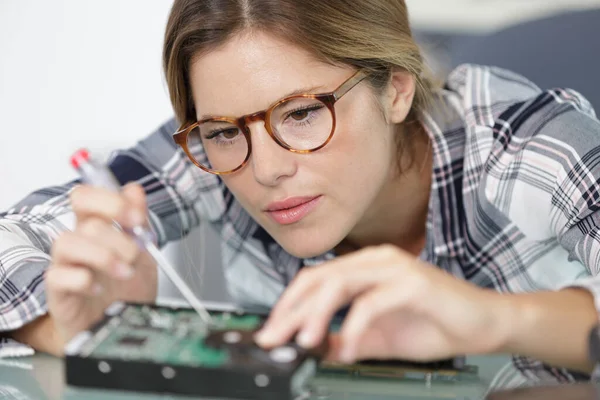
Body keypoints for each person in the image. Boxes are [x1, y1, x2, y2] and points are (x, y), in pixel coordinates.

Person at [1, 0, 600, 378]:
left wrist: (495, 321)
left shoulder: (530, 143)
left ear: (394, 89)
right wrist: (86, 332)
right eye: (222, 129)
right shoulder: (219, 148)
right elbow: (13, 238)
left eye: (301, 114)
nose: (264, 170)